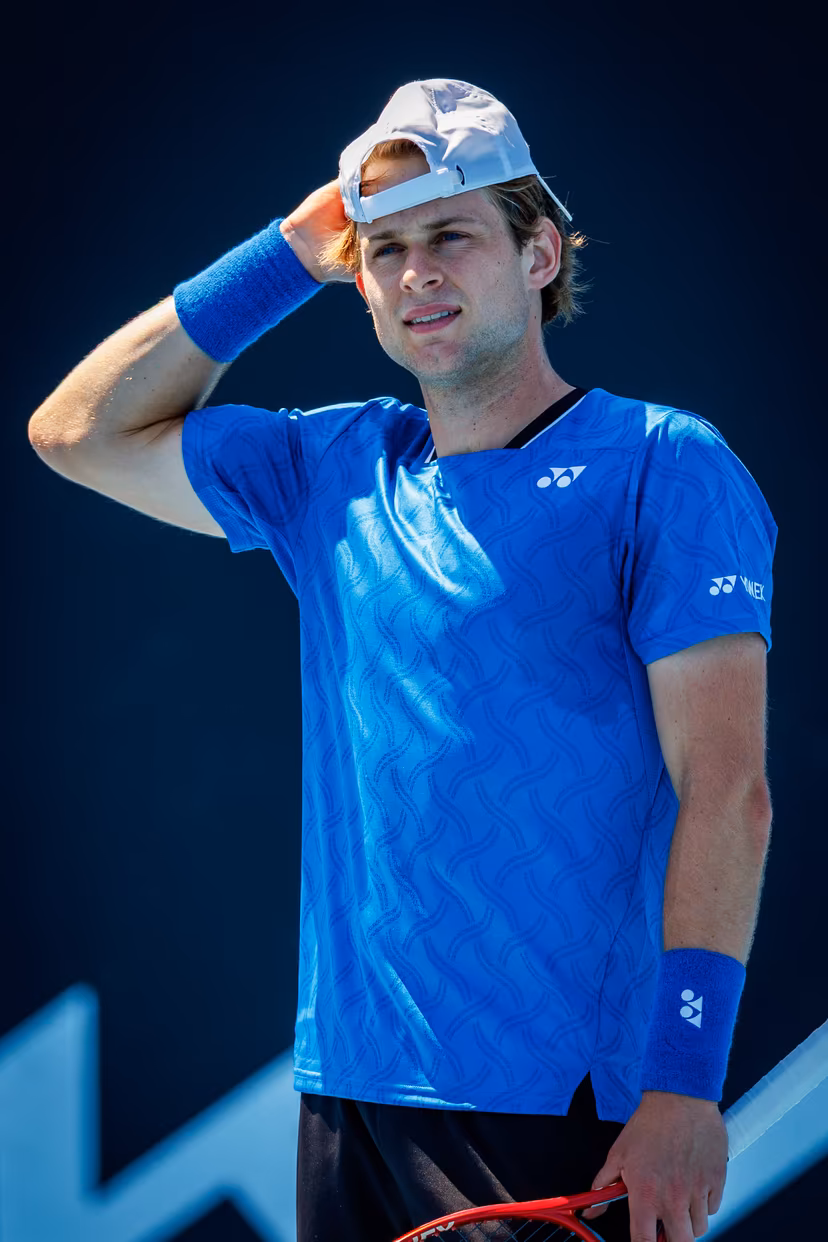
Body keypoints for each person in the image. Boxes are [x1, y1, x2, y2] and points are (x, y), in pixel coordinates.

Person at [28, 79, 776, 1242]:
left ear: (540, 254)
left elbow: (727, 789)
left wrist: (685, 1080)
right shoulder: (330, 467)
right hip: (350, 1096)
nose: (415, 272)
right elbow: (76, 432)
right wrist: (284, 256)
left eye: (451, 236)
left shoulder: (664, 465)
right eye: (383, 250)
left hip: (560, 1109)